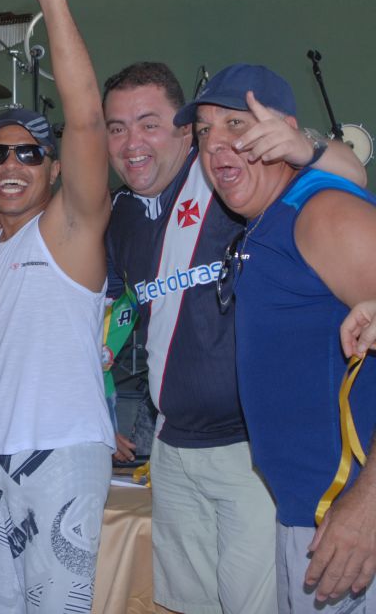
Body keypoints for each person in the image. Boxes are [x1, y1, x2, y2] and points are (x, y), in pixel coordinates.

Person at [103, 60, 365, 613]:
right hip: (191, 453)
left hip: (263, 462)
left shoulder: (273, 197)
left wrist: (307, 147)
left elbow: (349, 172)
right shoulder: (128, 215)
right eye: (117, 127)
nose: (132, 142)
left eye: (150, 124)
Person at [177, 63, 376, 613]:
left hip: (353, 527)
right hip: (311, 519)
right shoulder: (270, 220)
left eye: (236, 125)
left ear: (283, 134)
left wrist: (369, 504)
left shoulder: (324, 213)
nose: (215, 144)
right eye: (204, 131)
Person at [0, 0, 114, 614]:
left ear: (55, 169)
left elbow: (86, 121)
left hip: (60, 455)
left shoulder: (69, 232)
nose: (12, 164)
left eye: (30, 152)